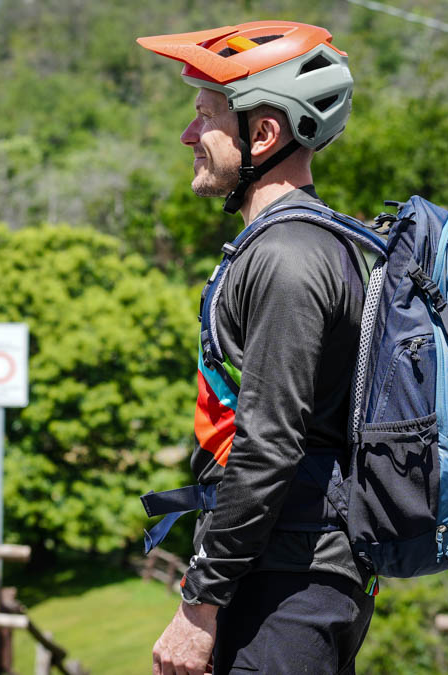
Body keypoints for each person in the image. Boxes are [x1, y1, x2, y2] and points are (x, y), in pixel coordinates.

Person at [137, 21, 376, 675]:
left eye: (204, 117)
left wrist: (198, 605)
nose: (189, 136)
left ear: (263, 134)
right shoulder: (290, 245)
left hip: (290, 585)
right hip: (281, 570)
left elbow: (266, 446)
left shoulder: (289, 258)